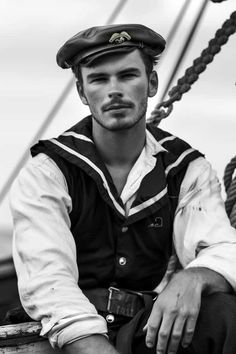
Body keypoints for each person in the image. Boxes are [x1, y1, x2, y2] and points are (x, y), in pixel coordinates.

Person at [9, 23, 236, 354]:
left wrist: (196, 277)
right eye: (99, 79)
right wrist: (92, 344)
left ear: (152, 83)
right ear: (83, 93)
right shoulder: (49, 171)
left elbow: (223, 246)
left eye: (128, 75)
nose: (114, 90)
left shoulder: (185, 168)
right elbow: (49, 283)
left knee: (225, 314)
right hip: (61, 333)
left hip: (142, 327)